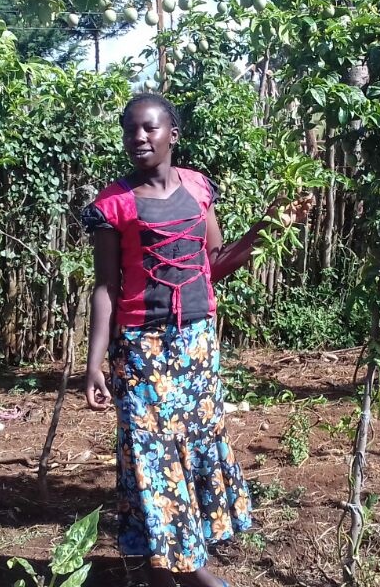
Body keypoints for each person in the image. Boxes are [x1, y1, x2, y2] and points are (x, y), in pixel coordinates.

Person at [81, 93, 311, 587]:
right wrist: (95, 362)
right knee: (152, 455)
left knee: (193, 450)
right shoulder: (113, 205)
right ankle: (201, 577)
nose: (138, 138)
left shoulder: (199, 189)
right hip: (142, 351)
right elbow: (106, 287)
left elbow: (215, 263)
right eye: (130, 130)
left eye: (148, 128)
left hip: (197, 345)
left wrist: (269, 226)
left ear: (173, 135)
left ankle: (165, 573)